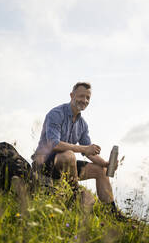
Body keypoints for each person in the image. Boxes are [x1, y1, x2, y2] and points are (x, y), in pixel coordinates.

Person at [32, 82, 120, 215]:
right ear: (72, 95)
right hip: (44, 163)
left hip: (66, 166)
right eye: (81, 96)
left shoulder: (82, 124)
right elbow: (54, 144)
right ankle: (75, 196)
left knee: (100, 170)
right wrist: (84, 149)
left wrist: (106, 164)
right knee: (68, 154)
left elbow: (89, 152)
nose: (84, 100)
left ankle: (112, 212)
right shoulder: (56, 114)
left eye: (88, 98)